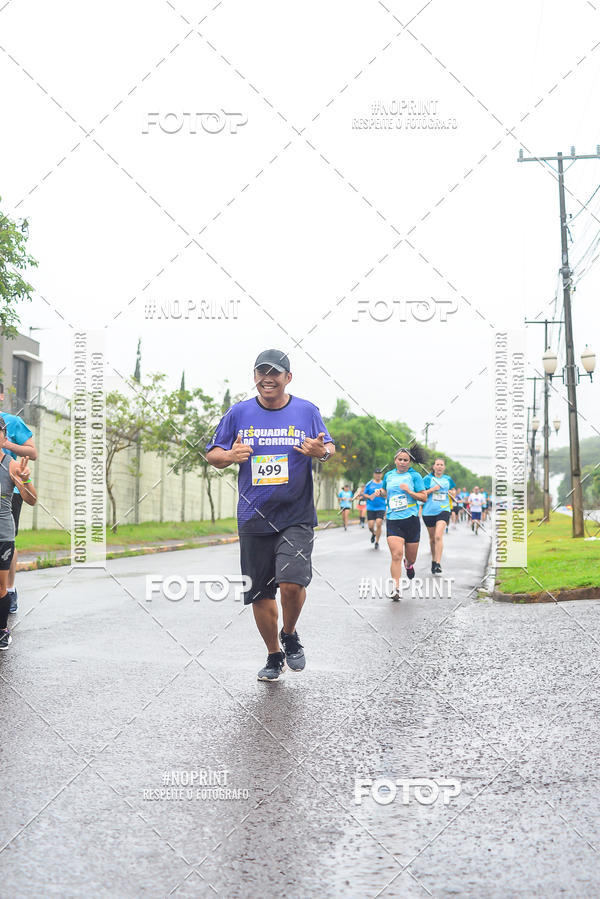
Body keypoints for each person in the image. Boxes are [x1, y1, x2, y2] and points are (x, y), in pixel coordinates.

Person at [206, 349, 335, 682]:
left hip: (296, 513)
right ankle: (274, 655)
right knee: (261, 592)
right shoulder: (238, 412)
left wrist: (320, 452)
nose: (267, 378)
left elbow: (328, 447)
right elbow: (213, 453)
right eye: (261, 372)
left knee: (292, 583)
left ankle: (289, 633)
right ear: (255, 377)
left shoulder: (307, 411)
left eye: (275, 373)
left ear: (287, 378)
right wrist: (230, 455)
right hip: (253, 516)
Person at [0, 418, 38, 650]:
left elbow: (32, 500)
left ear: (4, 437)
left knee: (0, 588)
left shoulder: (12, 465)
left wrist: (24, 482)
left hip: (2, 534)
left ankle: (2, 629)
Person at [373, 447, 427, 600]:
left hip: (411, 519)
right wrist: (380, 492)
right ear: (395, 460)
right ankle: (396, 588)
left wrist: (409, 492)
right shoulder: (389, 475)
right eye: (400, 459)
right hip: (393, 519)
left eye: (406, 460)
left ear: (410, 462)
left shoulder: (415, 476)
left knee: (411, 558)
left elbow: (423, 497)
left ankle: (409, 565)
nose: (402, 462)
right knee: (396, 555)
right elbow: (385, 491)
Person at [422, 458, 456, 574]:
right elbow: (421, 494)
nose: (440, 466)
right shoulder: (427, 479)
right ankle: (433, 560)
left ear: (444, 467)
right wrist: (432, 489)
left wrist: (452, 493)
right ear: (434, 466)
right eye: (437, 464)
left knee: (438, 536)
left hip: (443, 510)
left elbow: (453, 491)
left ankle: (438, 562)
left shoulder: (448, 479)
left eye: (442, 465)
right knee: (432, 539)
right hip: (428, 511)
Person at [363, 468, 386, 549]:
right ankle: (373, 533)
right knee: (370, 526)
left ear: (382, 474)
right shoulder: (369, 484)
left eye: (379, 473)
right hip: (371, 507)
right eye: (376, 473)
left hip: (381, 507)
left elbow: (387, 494)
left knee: (379, 523)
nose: (378, 475)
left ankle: (377, 542)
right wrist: (369, 496)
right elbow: (364, 494)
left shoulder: (384, 484)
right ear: (374, 474)